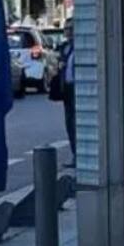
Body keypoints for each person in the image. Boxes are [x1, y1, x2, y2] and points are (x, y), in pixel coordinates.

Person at [49, 18, 77, 167]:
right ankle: (75, 154)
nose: (68, 32)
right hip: (66, 89)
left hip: (77, 90)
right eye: (66, 29)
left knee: (77, 123)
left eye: (71, 28)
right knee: (70, 124)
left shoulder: (80, 47)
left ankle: (80, 155)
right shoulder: (64, 48)